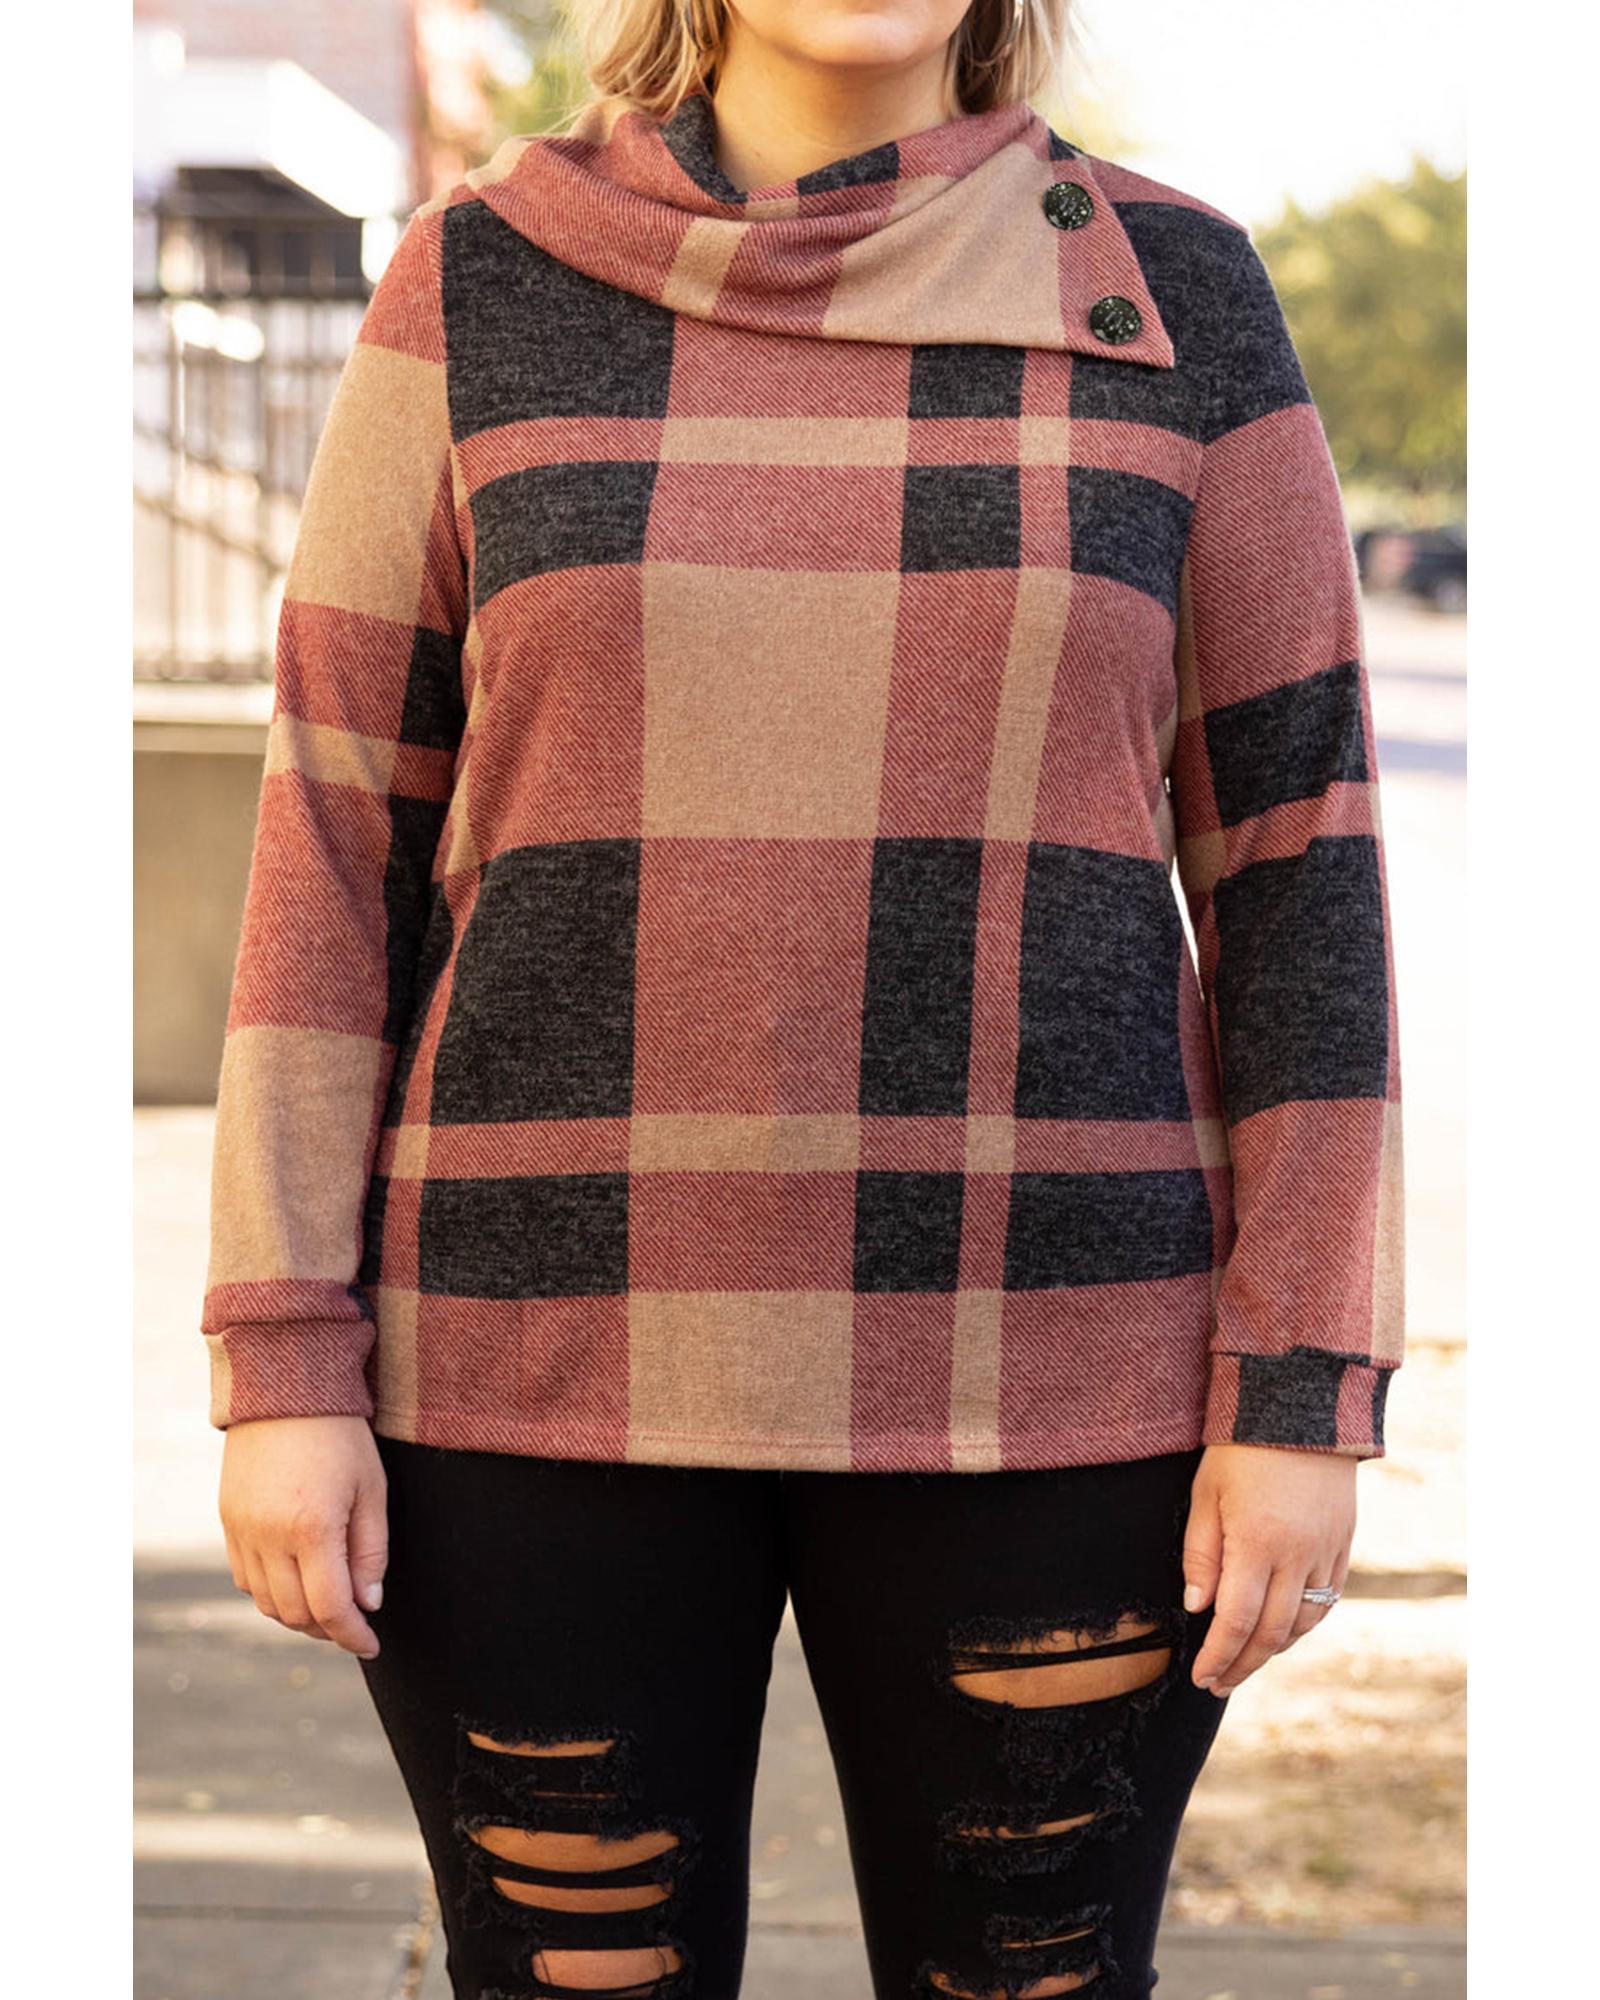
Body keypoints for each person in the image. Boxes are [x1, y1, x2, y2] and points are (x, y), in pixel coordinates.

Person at [200, 3, 1406, 1995]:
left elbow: (1298, 867)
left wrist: (1303, 1385)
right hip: (526, 1363)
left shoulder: (1172, 292)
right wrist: (281, 1352)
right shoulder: (474, 281)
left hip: (1053, 1370)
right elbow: (332, 838)